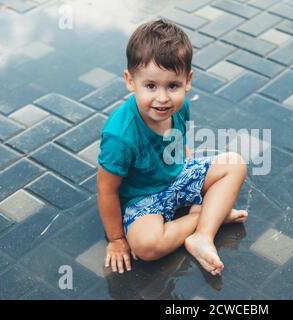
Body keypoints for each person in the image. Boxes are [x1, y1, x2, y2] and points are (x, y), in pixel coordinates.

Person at [97, 19, 248, 277]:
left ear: (187, 81)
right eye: (151, 86)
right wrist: (116, 239)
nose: (163, 98)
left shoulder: (180, 107)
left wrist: (192, 171)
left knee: (235, 163)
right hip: (142, 198)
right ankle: (212, 215)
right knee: (146, 246)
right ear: (130, 81)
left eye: (173, 86)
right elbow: (106, 190)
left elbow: (180, 143)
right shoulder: (119, 135)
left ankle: (202, 236)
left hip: (177, 176)